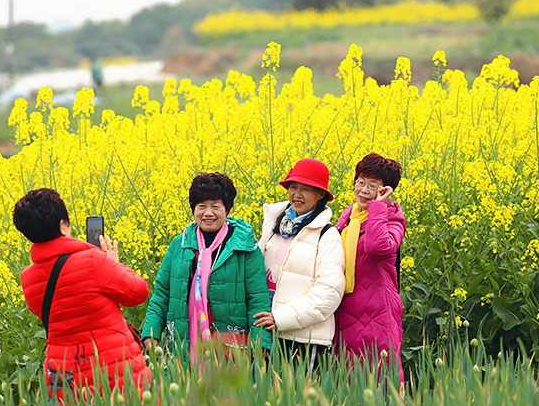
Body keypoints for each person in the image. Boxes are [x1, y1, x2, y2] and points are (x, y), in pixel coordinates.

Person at [13, 188, 151, 402]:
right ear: (62, 225)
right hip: (114, 370)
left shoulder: (28, 279)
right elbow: (138, 292)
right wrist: (115, 264)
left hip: (64, 375)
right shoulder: (94, 260)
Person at [141, 173, 272, 366]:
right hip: (181, 349)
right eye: (201, 206)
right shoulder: (180, 245)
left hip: (229, 353)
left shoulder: (245, 248)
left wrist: (262, 346)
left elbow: (258, 301)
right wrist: (150, 333)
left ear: (228, 210)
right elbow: (162, 294)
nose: (208, 213)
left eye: (215, 206)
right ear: (193, 209)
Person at [253, 158, 345, 371]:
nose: (297, 194)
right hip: (267, 332)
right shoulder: (275, 226)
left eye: (306, 189)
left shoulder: (327, 235)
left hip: (303, 339)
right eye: (293, 187)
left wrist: (280, 318)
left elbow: (329, 294)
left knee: (296, 402)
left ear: (320, 195)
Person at [334, 153, 406, 380]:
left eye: (372, 186)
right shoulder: (349, 216)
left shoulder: (393, 218)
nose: (363, 190)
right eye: (360, 182)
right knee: (345, 380)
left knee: (379, 379)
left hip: (377, 310)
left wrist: (378, 208)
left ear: (386, 191)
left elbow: (377, 247)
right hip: (345, 308)